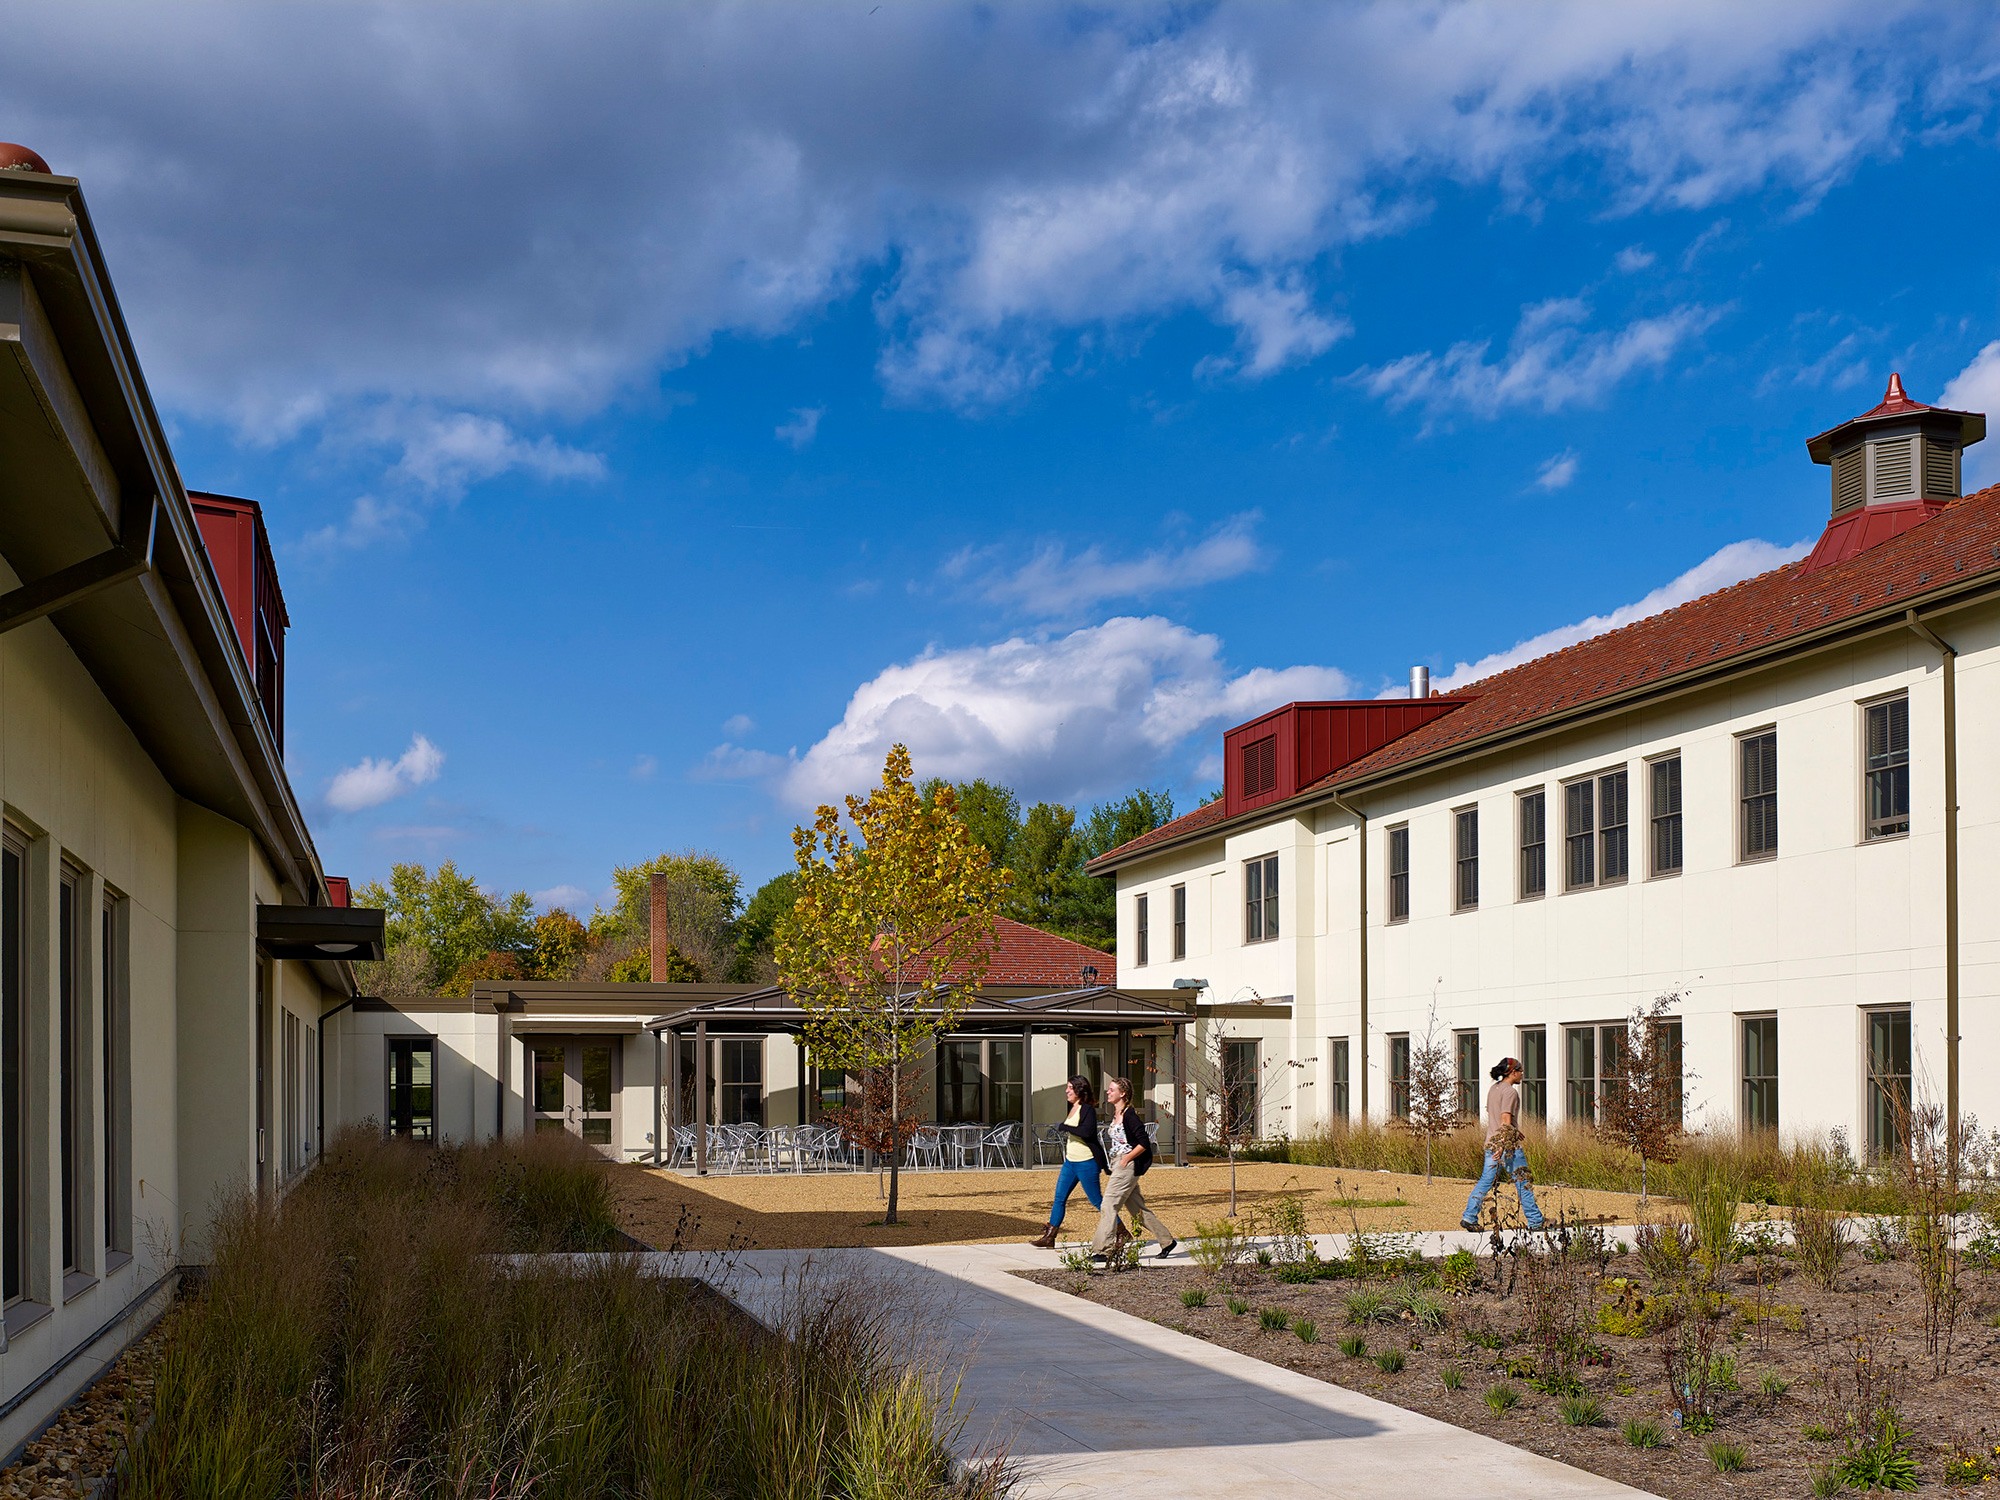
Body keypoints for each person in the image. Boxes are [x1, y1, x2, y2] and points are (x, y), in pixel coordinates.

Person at [1090, 1076, 1178, 1261]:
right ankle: (1167, 1241)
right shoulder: (1117, 1114)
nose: (1108, 1092)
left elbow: (1144, 1142)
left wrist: (1127, 1159)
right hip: (1118, 1163)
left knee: (1108, 1204)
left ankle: (1103, 1250)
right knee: (1138, 1210)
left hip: (1126, 1165)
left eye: (1112, 1089)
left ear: (1123, 1093)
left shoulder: (1130, 1115)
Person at [1461, 1056, 1545, 1232]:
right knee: (1523, 1181)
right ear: (1513, 1072)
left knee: (1486, 1181)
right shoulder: (1510, 1092)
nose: (1522, 1074)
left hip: (1491, 1142)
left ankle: (1469, 1216)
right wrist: (1502, 1145)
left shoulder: (1494, 1088)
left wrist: (1515, 1129)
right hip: (1507, 1148)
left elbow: (1498, 1116)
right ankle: (1536, 1221)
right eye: (1520, 1071)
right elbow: (1505, 1119)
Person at [1028, 1076, 1109, 1248]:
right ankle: (1050, 1237)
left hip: (1086, 1162)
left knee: (1096, 1201)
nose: (1067, 1091)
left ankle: (1122, 1232)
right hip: (1070, 1162)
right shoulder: (1074, 1107)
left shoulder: (1088, 1109)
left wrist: (1065, 1127)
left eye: (1070, 1088)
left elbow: (1088, 1133)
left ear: (1079, 1090)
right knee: (1059, 1198)